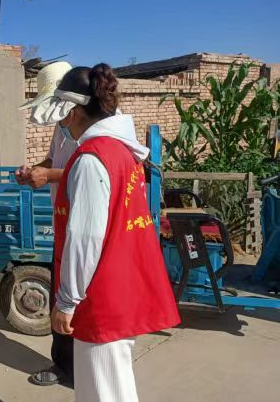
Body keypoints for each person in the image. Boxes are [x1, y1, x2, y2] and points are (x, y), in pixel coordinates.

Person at [50, 64, 181, 402]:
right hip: (121, 284)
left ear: (74, 112)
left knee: (103, 391)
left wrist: (66, 300)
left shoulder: (91, 158)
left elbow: (85, 238)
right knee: (113, 386)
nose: (62, 124)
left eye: (63, 116)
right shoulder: (121, 150)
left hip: (101, 294)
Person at [15, 61, 79, 387]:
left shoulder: (96, 130)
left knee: (80, 301)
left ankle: (87, 368)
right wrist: (34, 171)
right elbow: (55, 160)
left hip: (85, 225)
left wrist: (49, 175)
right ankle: (64, 365)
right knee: (60, 295)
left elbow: (93, 171)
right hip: (63, 221)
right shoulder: (62, 127)